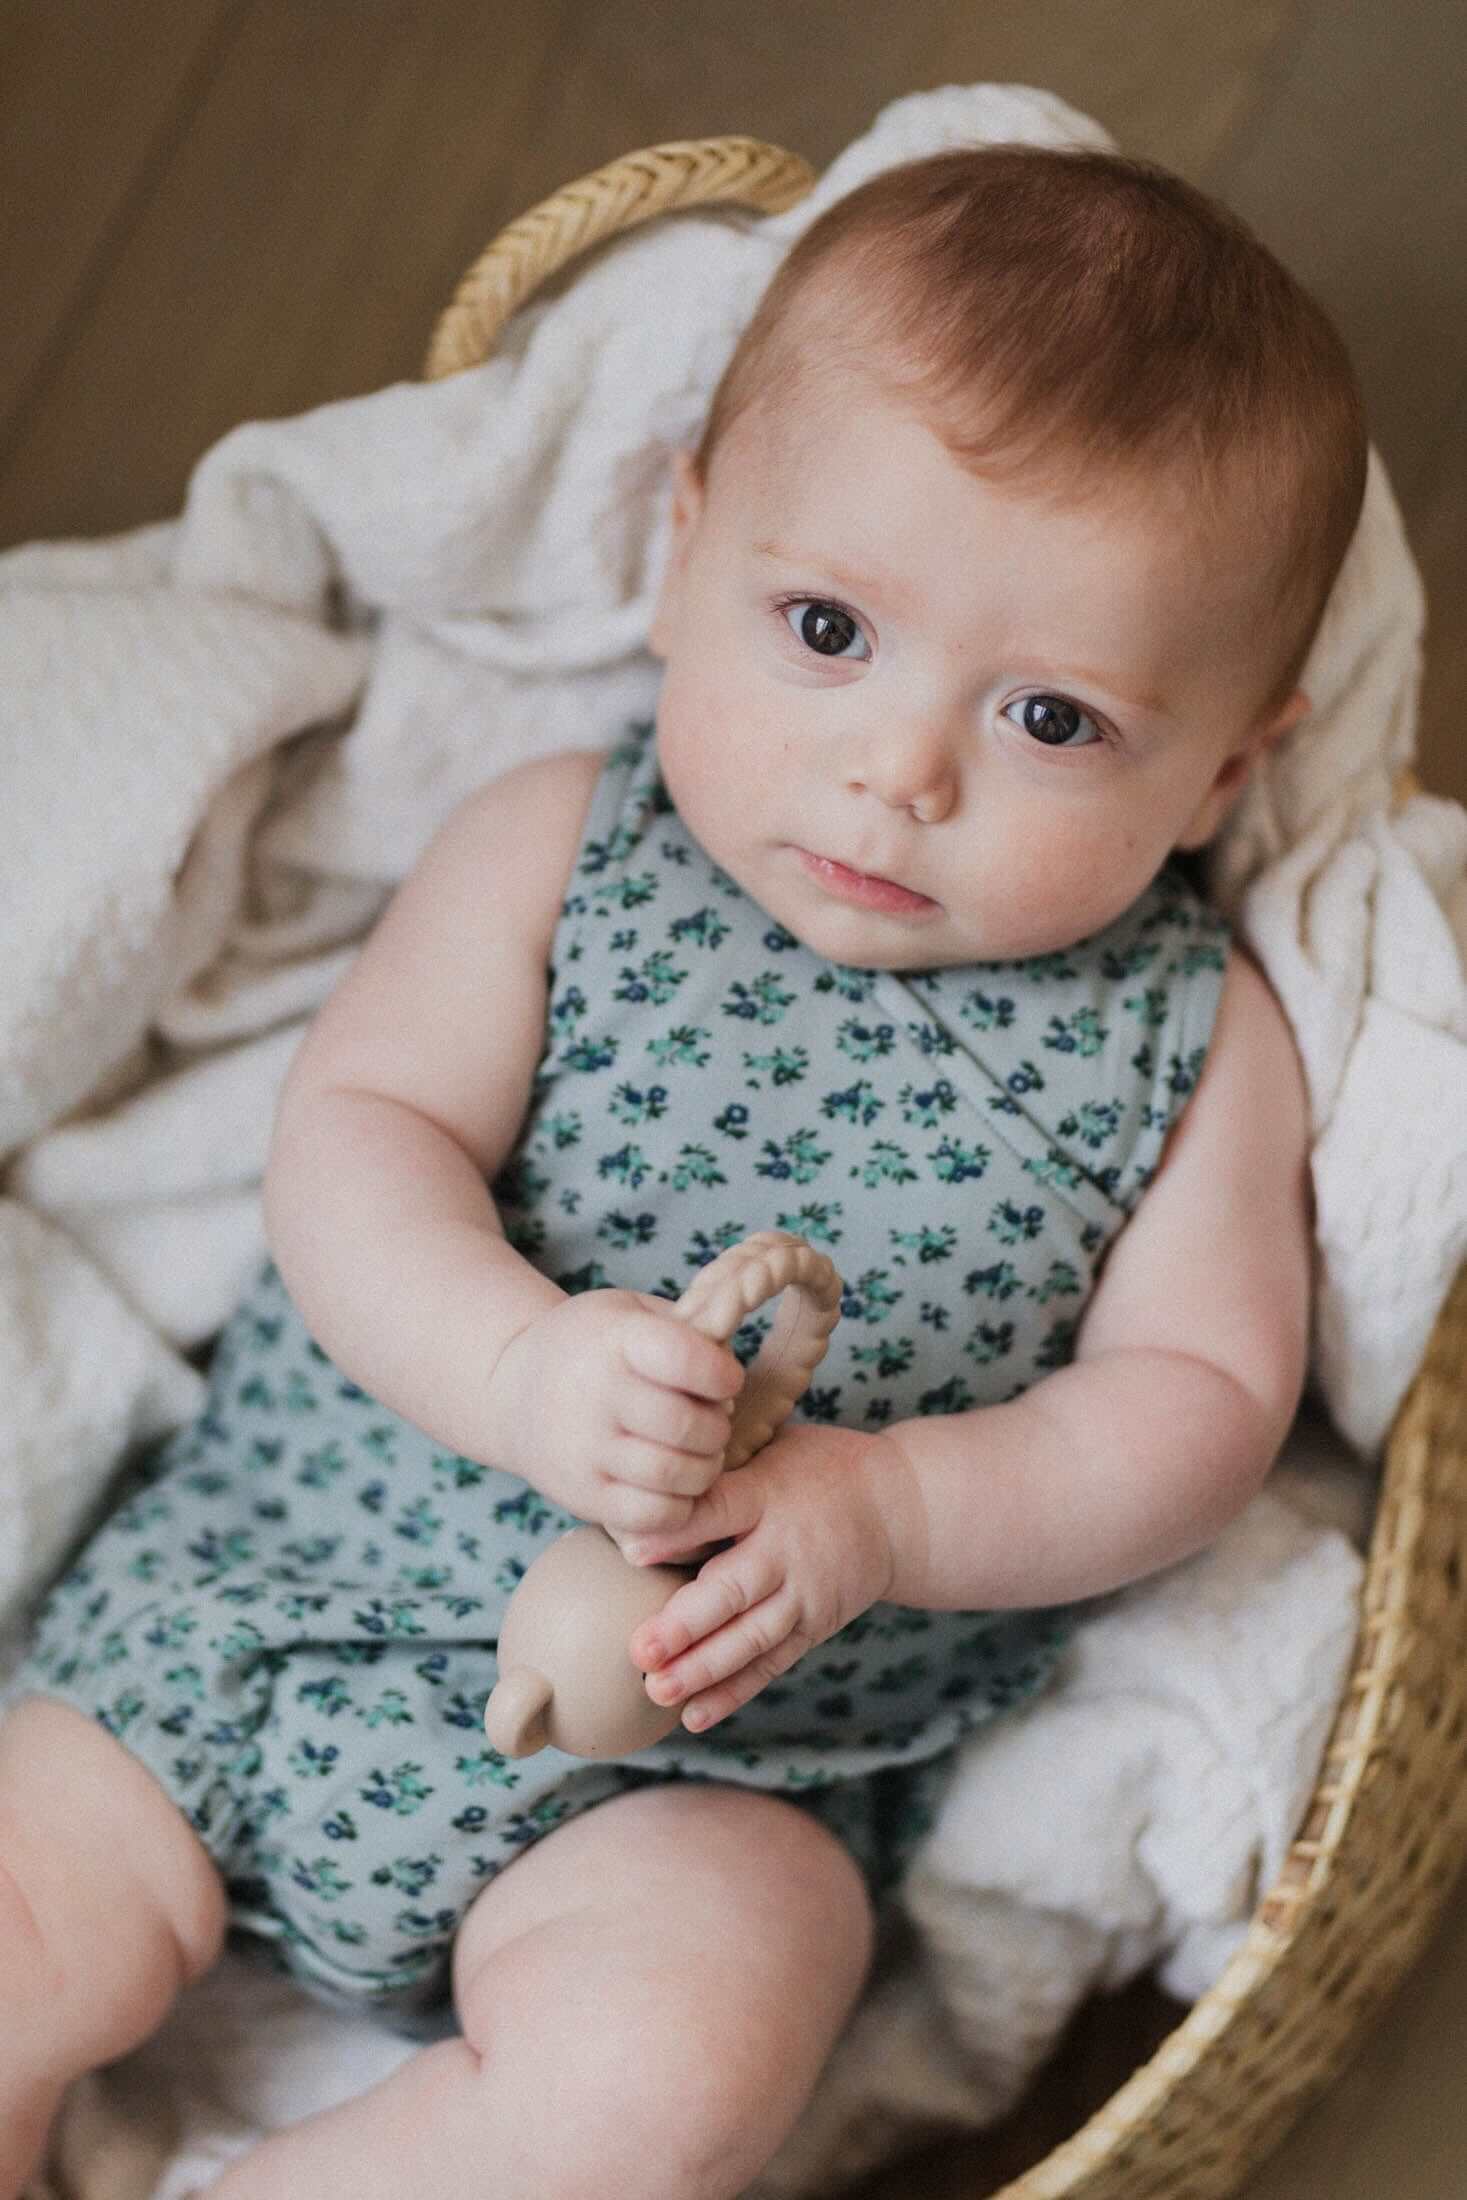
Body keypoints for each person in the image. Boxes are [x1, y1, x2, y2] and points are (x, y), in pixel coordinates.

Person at [0, 143, 1363, 2198]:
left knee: (680, 2060)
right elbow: (358, 1143)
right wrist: (527, 1371)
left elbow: (1191, 1407)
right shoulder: (561, 839)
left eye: (1052, 717)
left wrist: (880, 1505)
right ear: (678, 549)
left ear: (1224, 770)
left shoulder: (1192, 1039)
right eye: (825, 625)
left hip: (725, 1760)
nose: (898, 768)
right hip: (275, 1596)